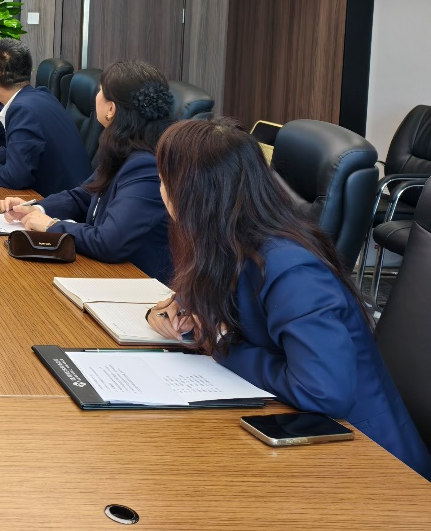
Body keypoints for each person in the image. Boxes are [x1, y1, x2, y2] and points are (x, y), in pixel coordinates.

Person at [147, 118, 431, 480]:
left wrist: (220, 343)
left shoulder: (292, 268)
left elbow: (323, 391)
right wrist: (176, 309)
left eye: (165, 180)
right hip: (299, 434)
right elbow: (215, 302)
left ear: (196, 194)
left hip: (372, 463)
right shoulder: (227, 241)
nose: (161, 190)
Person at [0, 59, 174, 284]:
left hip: (133, 280)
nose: (96, 97)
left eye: (100, 91)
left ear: (111, 109)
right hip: (105, 272)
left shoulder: (146, 166)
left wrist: (51, 226)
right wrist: (35, 208)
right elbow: (85, 195)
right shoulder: (125, 149)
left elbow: (110, 241)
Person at [0, 38, 91, 196]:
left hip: (58, 201)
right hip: (73, 194)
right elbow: (15, 151)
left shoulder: (21, 110)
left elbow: (16, 177)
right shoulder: (41, 94)